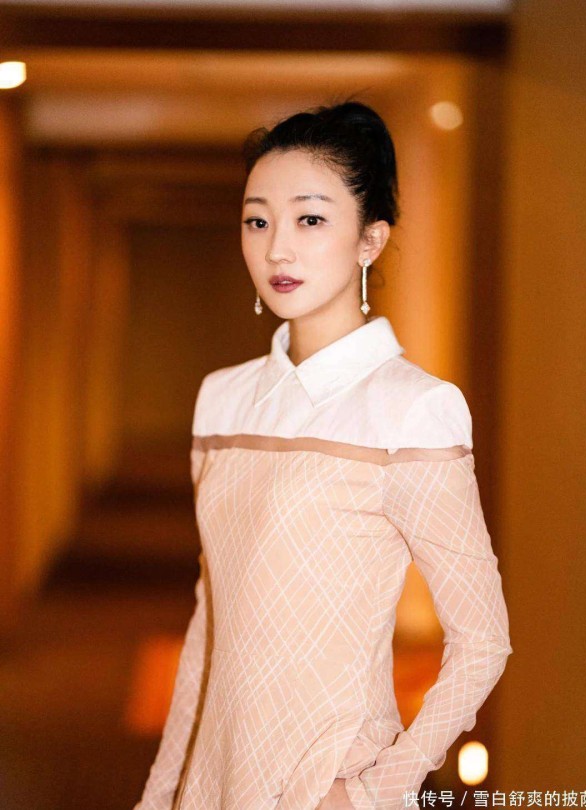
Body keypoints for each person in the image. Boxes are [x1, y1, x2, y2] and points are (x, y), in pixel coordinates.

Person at [133, 100, 513, 810]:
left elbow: (483, 640)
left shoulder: (413, 407)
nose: (278, 248)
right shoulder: (223, 399)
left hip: (326, 780)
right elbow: (211, 623)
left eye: (310, 219)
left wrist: (373, 792)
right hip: (216, 781)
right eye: (258, 221)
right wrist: (161, 794)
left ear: (370, 239)